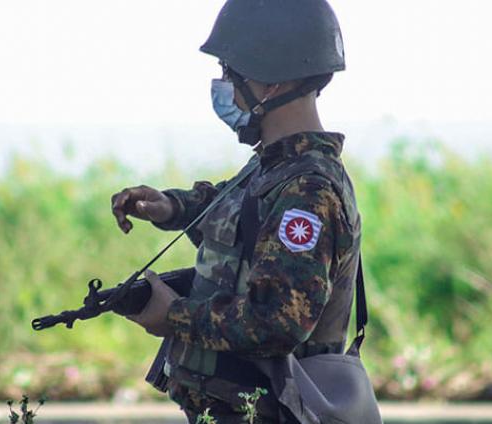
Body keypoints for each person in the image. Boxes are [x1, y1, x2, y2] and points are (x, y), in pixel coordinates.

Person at [111, 1, 362, 422]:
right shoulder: (275, 167)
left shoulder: (309, 192)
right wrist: (169, 206)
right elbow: (237, 212)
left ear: (272, 83)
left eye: (231, 71)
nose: (223, 84)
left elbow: (276, 324)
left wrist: (173, 316)